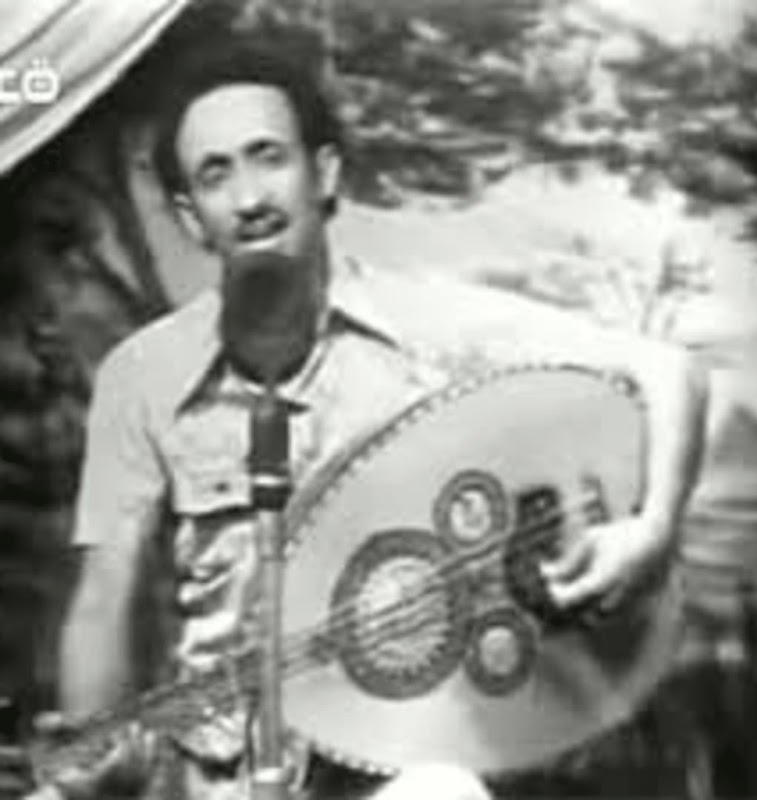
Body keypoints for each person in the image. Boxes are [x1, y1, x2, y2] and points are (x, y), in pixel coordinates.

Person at [26, 35, 708, 800]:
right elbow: (104, 594)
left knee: (445, 793)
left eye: (268, 158)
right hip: (212, 776)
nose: (250, 198)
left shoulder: (432, 328)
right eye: (216, 174)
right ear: (191, 217)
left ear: (323, 173)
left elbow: (669, 371)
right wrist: (91, 761)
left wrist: (651, 534)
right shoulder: (141, 377)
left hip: (385, 773)